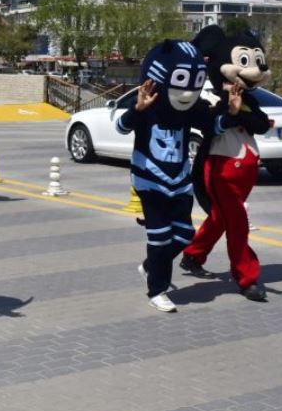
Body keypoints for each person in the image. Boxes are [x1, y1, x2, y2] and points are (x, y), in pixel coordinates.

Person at [116, 39, 240, 313]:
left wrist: (231, 112)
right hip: (150, 178)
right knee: (159, 236)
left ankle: (151, 265)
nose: (185, 90)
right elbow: (121, 127)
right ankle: (157, 290)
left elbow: (213, 126)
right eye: (180, 78)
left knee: (184, 234)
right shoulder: (149, 105)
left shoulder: (189, 110)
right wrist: (137, 110)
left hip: (180, 180)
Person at [182, 26, 272, 301]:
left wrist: (241, 111)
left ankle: (193, 256)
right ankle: (246, 276)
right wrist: (231, 112)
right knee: (237, 222)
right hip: (221, 170)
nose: (255, 70)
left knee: (222, 218)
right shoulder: (212, 97)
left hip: (245, 169)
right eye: (244, 61)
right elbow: (213, 124)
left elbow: (260, 124)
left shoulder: (250, 100)